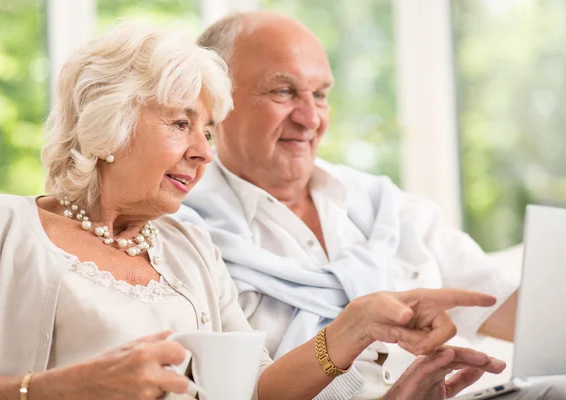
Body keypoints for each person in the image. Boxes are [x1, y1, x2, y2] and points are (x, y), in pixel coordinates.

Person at [0, 22, 507, 400]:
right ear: (108, 126)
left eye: (206, 130)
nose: (203, 150)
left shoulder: (187, 247)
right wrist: (64, 391)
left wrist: (359, 325)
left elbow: (255, 391)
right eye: (180, 124)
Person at [173, 11, 566, 399]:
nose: (311, 118)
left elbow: (513, 308)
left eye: (321, 95)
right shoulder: (185, 236)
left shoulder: (382, 206)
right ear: (214, 101)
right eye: (283, 92)